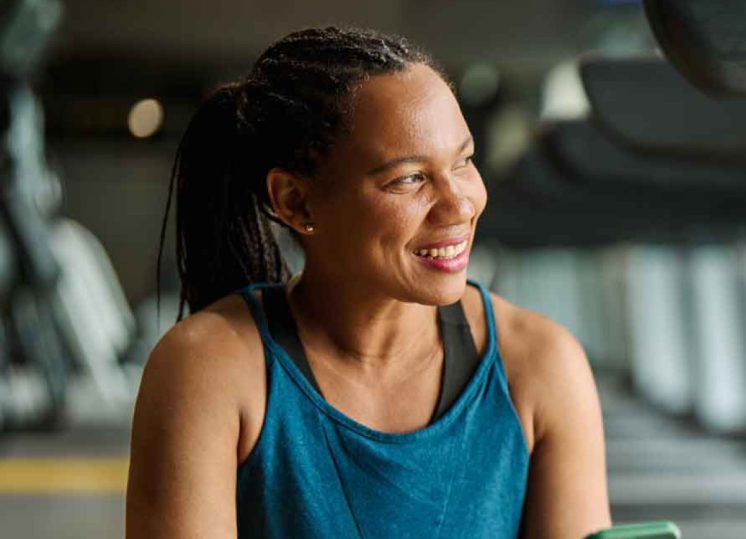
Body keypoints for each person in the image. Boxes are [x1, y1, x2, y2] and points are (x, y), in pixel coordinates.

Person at [126, 27, 610, 538]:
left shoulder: (540, 366)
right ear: (296, 202)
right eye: (409, 178)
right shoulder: (209, 370)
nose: (460, 204)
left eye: (462, 162)